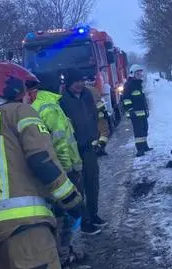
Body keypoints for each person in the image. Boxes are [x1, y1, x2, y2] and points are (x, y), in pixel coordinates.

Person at [0, 62, 83, 269]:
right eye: (28, 90)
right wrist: (72, 200)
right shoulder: (20, 112)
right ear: (11, 88)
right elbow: (41, 160)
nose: (31, 97)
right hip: (28, 228)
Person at [28, 71, 84, 266]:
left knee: (55, 214)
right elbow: (61, 143)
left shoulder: (33, 106)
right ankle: (63, 254)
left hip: (48, 171)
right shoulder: (50, 107)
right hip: (64, 171)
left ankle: (58, 252)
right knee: (68, 213)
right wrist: (67, 172)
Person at [60, 69, 107, 236]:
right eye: (75, 82)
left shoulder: (87, 95)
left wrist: (99, 138)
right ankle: (85, 221)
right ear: (68, 84)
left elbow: (97, 116)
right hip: (75, 151)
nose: (79, 84)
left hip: (90, 147)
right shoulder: (62, 101)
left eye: (81, 81)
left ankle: (94, 215)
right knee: (79, 188)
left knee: (93, 183)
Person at [122, 64, 152, 157]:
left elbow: (142, 99)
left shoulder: (138, 84)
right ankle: (140, 150)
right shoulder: (129, 85)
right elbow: (126, 99)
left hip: (142, 113)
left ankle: (145, 146)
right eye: (137, 73)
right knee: (138, 132)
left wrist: (146, 110)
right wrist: (130, 110)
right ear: (132, 74)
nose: (140, 75)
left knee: (144, 129)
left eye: (140, 73)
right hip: (135, 113)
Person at [85, 79, 110, 156]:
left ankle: (95, 149)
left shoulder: (82, 92)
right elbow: (99, 103)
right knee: (104, 132)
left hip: (89, 118)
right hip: (99, 115)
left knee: (95, 135)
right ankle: (100, 147)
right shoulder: (93, 90)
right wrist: (105, 112)